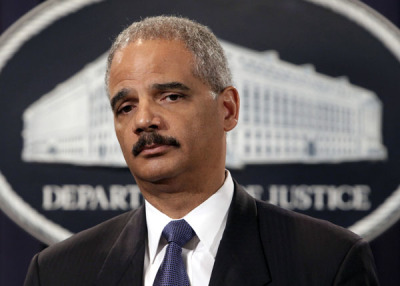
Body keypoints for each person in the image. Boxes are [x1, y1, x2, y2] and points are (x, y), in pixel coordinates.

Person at [24, 15, 379, 286]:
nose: (144, 120)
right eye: (126, 106)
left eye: (171, 96)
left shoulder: (328, 261)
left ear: (227, 110)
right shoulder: (57, 272)